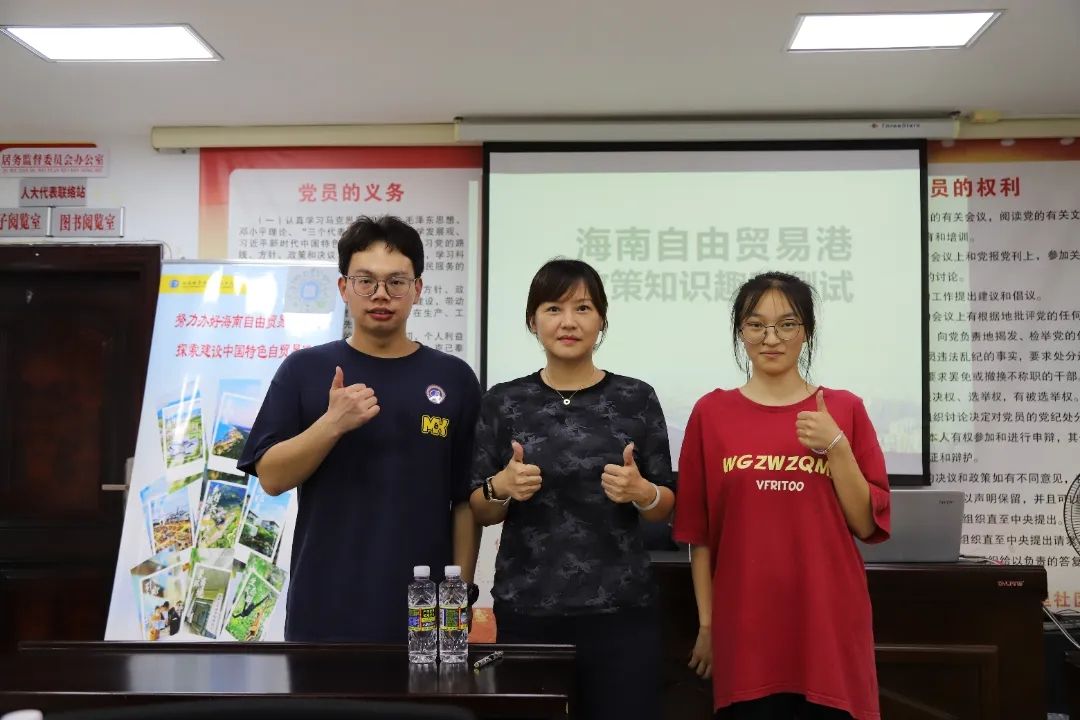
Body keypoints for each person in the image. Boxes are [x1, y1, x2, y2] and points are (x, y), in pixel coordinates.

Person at [238, 215, 482, 642]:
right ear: (343, 287)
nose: (380, 294)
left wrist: (458, 594)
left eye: (396, 282)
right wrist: (332, 424)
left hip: (424, 607)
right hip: (324, 603)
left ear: (418, 289)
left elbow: (465, 499)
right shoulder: (304, 370)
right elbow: (272, 478)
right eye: (365, 281)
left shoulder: (454, 377)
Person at [673, 271, 891, 720]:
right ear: (741, 332)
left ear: (806, 330)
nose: (771, 338)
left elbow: (866, 523)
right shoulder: (711, 413)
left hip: (828, 625)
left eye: (787, 324)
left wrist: (836, 446)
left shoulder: (844, 409)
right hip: (745, 630)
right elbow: (699, 535)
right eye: (756, 325)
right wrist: (708, 624)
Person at [469, 259, 675, 720]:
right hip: (528, 611)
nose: (568, 322)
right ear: (532, 320)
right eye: (553, 308)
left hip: (622, 612)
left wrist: (642, 492)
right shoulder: (503, 400)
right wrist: (502, 485)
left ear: (601, 320)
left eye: (582, 308)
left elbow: (664, 505)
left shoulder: (636, 397)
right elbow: (480, 508)